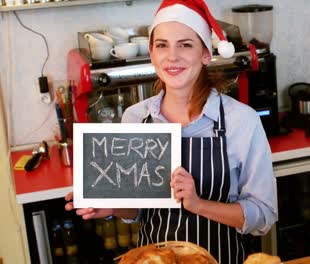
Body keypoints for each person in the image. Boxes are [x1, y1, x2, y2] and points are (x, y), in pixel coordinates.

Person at [65, 0, 278, 263]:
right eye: (162, 45)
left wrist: (198, 204)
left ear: (205, 54)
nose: (172, 56)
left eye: (185, 45)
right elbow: (140, 211)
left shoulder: (241, 121)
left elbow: (263, 215)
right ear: (152, 54)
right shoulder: (136, 118)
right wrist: (109, 205)